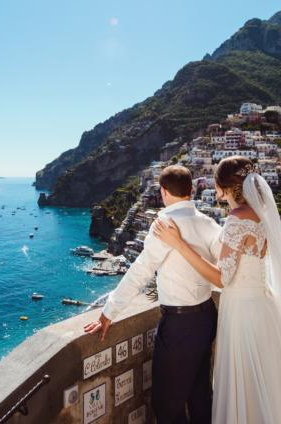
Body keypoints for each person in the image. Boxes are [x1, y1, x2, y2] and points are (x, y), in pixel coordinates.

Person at [152, 156, 281, 424]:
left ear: (224, 186)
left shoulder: (237, 220)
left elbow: (222, 278)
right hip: (263, 306)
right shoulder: (261, 215)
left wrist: (179, 244)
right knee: (267, 387)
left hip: (242, 312)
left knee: (246, 384)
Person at [84, 165, 222, 424]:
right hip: (207, 317)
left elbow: (141, 271)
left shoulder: (164, 225)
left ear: (163, 192)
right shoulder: (208, 223)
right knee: (200, 396)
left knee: (166, 404)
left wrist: (108, 312)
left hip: (180, 324)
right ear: (191, 190)